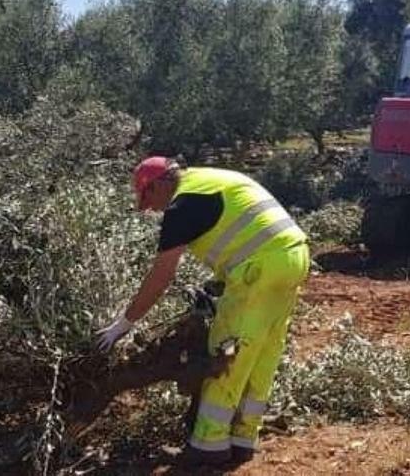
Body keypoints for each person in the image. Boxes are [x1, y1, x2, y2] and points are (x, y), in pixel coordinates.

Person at [95, 156, 310, 465]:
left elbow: (162, 275)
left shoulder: (182, 206)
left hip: (258, 270)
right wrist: (220, 282)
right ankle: (243, 439)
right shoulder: (210, 178)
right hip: (294, 258)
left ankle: (208, 446)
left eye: (147, 198)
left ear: (159, 184)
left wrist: (124, 323)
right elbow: (243, 230)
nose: (150, 209)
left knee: (227, 353)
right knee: (262, 352)